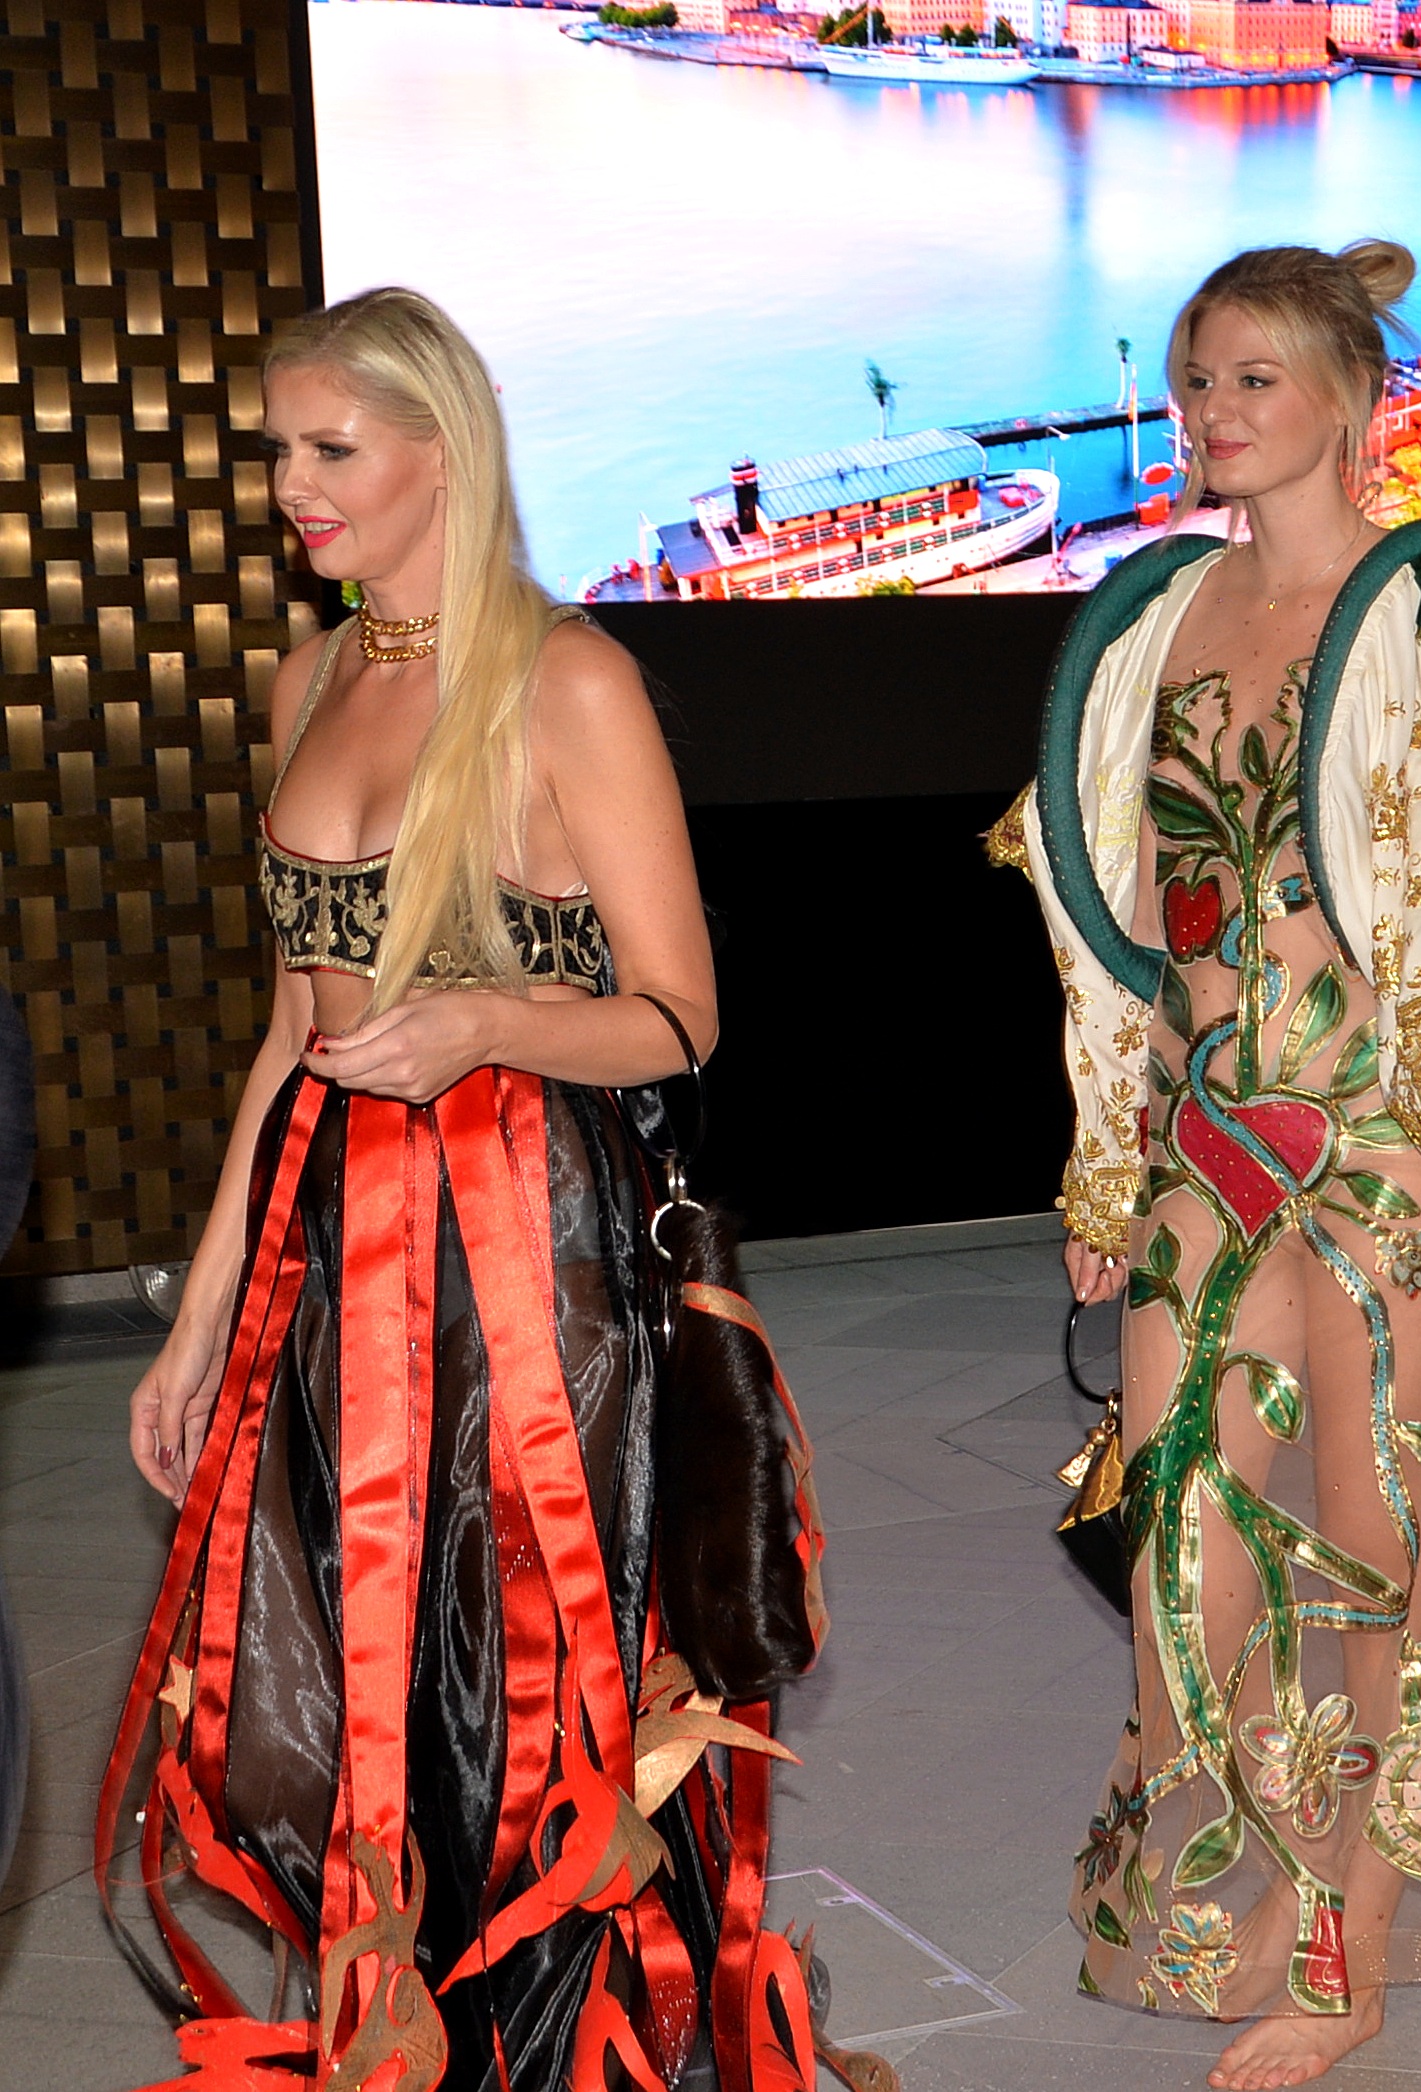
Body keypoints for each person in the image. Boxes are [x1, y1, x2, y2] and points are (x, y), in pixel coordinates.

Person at [97, 288, 830, 2091]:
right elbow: (292, 1031)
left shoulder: (567, 681)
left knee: (521, 1691)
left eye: (329, 449)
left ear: (443, 452)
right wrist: (197, 1319)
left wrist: (490, 1019)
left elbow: (681, 1013)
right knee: (340, 1685)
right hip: (327, 1239)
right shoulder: (311, 678)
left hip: (524, 1245)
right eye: (279, 451)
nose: (292, 486)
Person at [992, 241, 1421, 2090]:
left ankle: (1350, 1948)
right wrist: (1108, 1158)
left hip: (1387, 1140)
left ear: (1347, 394)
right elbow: (1121, 917)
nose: (1213, 412)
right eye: (1195, 381)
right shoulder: (1153, 614)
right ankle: (1252, 1885)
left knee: (1383, 1552)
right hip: (1211, 1137)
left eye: (1252, 379)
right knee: (1186, 1544)